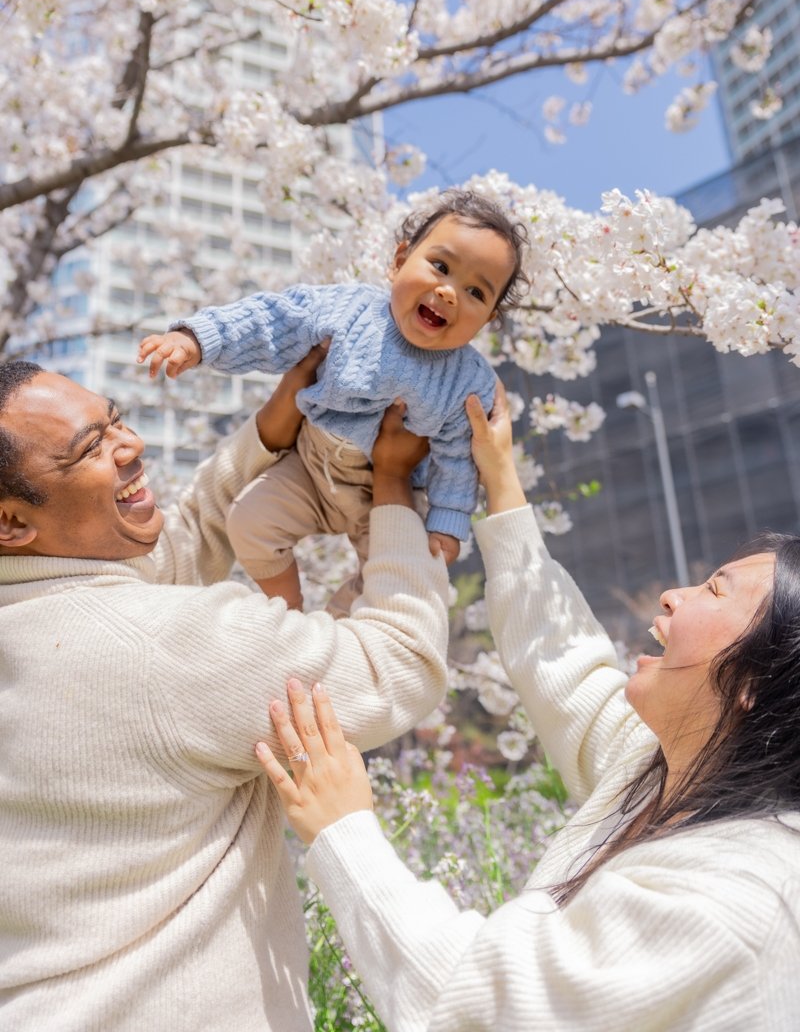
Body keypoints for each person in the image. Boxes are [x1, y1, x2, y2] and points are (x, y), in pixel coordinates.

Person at [256, 384, 800, 1031]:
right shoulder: (667, 771)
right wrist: (500, 476)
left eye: (715, 589)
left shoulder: (736, 898)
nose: (674, 595)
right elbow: (563, 663)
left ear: (756, 680)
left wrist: (345, 832)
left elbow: (485, 1004)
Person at [0, 355, 450, 1031]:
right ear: (10, 524)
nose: (131, 445)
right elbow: (399, 664)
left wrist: (266, 432)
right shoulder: (164, 646)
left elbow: (171, 553)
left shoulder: (40, 615)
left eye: (116, 420)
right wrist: (392, 492)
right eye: (91, 448)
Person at [137, 189, 529, 613]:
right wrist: (199, 339)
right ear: (399, 261)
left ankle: (337, 624)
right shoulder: (349, 309)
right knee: (247, 521)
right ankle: (288, 610)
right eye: (441, 266)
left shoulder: (466, 381)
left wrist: (448, 520)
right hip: (310, 465)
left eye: (475, 292)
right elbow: (275, 321)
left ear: (487, 319)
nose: (449, 292)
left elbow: (457, 456)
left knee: (400, 580)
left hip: (385, 495)